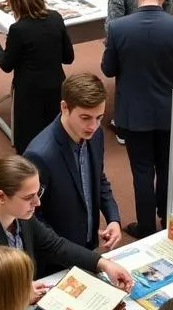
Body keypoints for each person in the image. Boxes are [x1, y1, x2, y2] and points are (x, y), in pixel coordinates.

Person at [0, 156, 133, 308]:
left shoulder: (19, 214)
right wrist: (18, 297)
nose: (37, 203)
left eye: (37, 193)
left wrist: (103, 263)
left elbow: (55, 246)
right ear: (1, 196)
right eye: (28, 197)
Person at [103, 0, 173, 238]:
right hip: (168, 112)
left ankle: (145, 228)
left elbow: (108, 69)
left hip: (133, 114)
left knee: (141, 171)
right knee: (166, 168)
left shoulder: (118, 28)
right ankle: (167, 221)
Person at [24, 73, 122, 253]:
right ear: (64, 107)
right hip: (56, 258)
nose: (93, 126)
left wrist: (113, 218)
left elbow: (98, 179)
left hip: (87, 245)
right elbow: (30, 215)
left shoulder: (95, 135)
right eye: (85, 118)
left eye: (99, 118)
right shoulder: (40, 155)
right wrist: (69, 252)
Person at [0, 0, 74, 155]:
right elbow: (68, 57)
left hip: (29, 92)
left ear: (15, 0)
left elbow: (6, 64)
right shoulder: (56, 17)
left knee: (29, 142)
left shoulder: (18, 29)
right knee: (57, 134)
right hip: (57, 85)